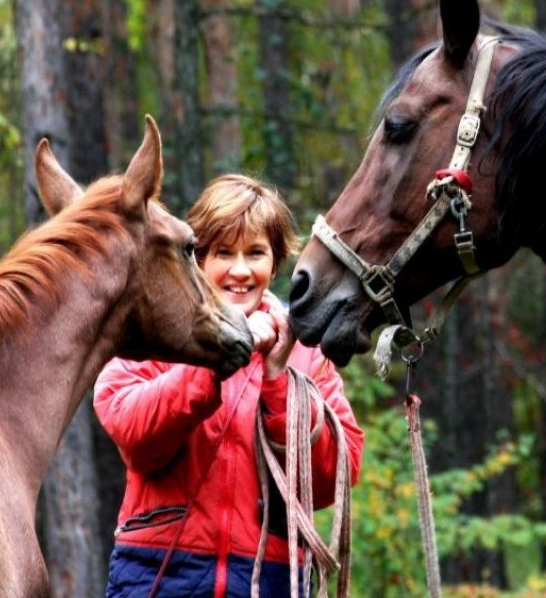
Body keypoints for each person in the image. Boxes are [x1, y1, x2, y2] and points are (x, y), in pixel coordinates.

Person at [94, 174, 364, 597]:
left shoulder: (307, 353)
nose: (240, 270)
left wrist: (277, 378)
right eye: (223, 253)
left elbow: (335, 475)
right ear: (199, 259)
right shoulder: (156, 335)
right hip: (158, 574)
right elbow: (133, 435)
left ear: (274, 264)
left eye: (255, 253)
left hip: (272, 578)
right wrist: (214, 362)